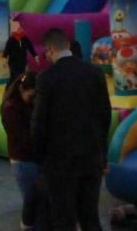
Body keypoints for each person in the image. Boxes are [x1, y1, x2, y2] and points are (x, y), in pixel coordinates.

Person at [31, 28, 111, 231]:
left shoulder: (46, 78)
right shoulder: (95, 73)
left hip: (59, 163)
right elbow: (105, 116)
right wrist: (102, 154)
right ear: (67, 45)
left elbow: (40, 121)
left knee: (64, 219)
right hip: (91, 158)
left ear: (49, 50)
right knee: (90, 217)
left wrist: (39, 156)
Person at [1, 71, 39, 230]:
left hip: (33, 158)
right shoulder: (11, 108)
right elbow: (20, 138)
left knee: (36, 202)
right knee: (32, 203)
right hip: (23, 161)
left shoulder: (30, 103)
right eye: (32, 95)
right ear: (22, 90)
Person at [3, 16, 37, 85]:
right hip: (14, 63)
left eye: (21, 28)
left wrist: (35, 55)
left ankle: (18, 86)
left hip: (22, 61)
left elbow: (30, 47)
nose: (21, 29)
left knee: (22, 75)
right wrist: (4, 60)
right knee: (16, 76)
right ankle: (11, 89)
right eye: (19, 28)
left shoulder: (24, 38)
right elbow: (7, 50)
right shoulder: (11, 40)